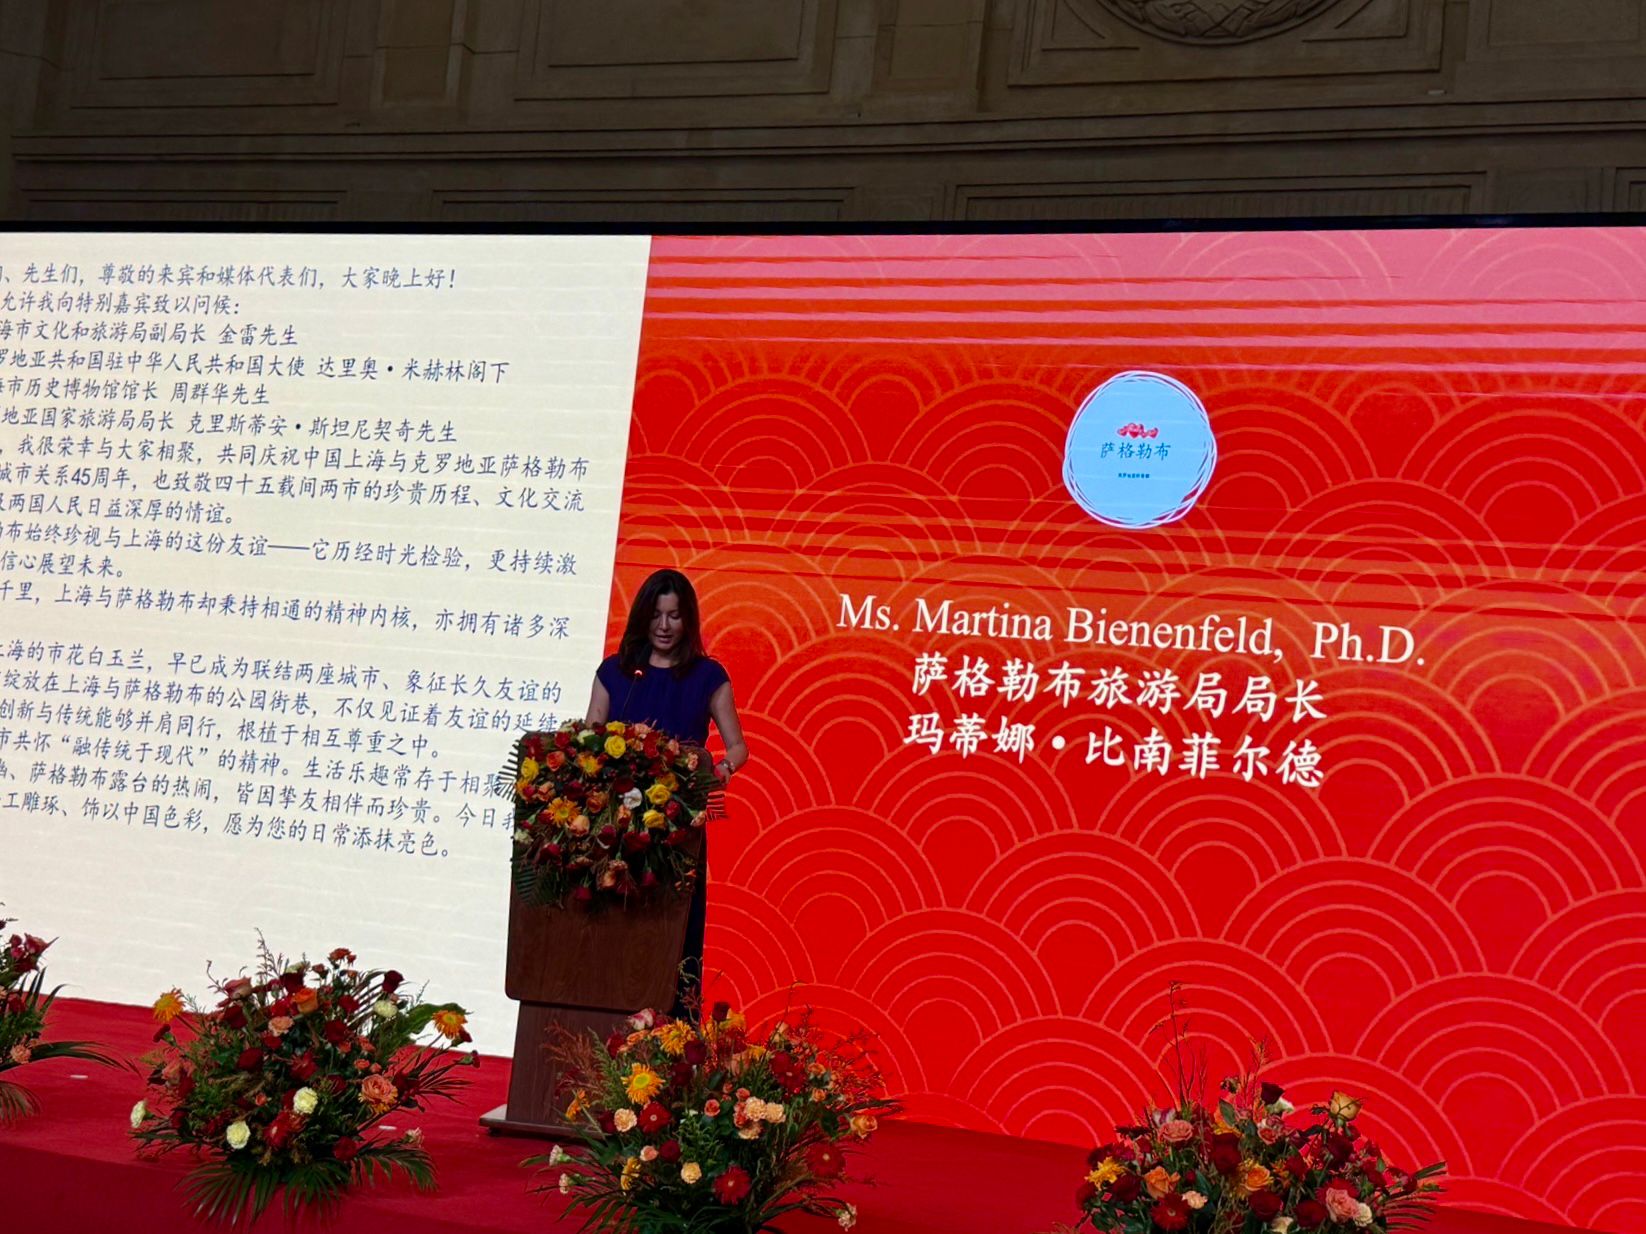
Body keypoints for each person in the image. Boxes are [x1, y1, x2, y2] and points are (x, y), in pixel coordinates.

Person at [586, 568, 748, 1018]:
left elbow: (738, 746)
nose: (663, 626)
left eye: (674, 616)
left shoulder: (707, 675)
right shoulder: (617, 672)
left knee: (673, 937)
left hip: (677, 831)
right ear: (643, 616)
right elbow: (589, 740)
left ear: (687, 620)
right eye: (656, 615)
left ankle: (672, 1034)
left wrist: (723, 769)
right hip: (614, 830)